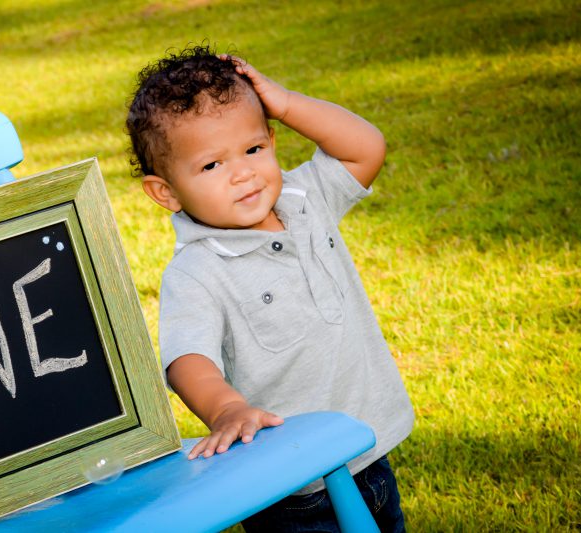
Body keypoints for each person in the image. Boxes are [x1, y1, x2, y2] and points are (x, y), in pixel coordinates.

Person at [125, 44, 414, 532]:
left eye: (253, 149)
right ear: (166, 192)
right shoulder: (198, 269)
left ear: (273, 141)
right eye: (212, 166)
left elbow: (366, 147)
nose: (242, 173)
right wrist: (227, 407)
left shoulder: (305, 198)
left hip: (366, 451)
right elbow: (185, 359)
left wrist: (284, 102)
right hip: (290, 486)